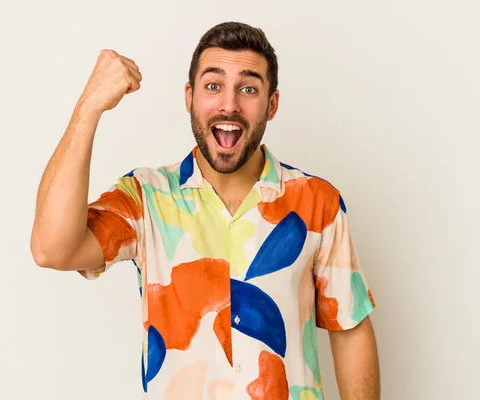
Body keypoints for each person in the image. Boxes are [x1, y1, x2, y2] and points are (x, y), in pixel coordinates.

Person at [31, 21, 380, 400]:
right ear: (190, 97)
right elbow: (52, 249)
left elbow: (350, 328)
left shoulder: (317, 201)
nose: (229, 104)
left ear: (272, 104)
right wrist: (89, 106)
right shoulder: (146, 197)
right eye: (213, 86)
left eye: (248, 88)